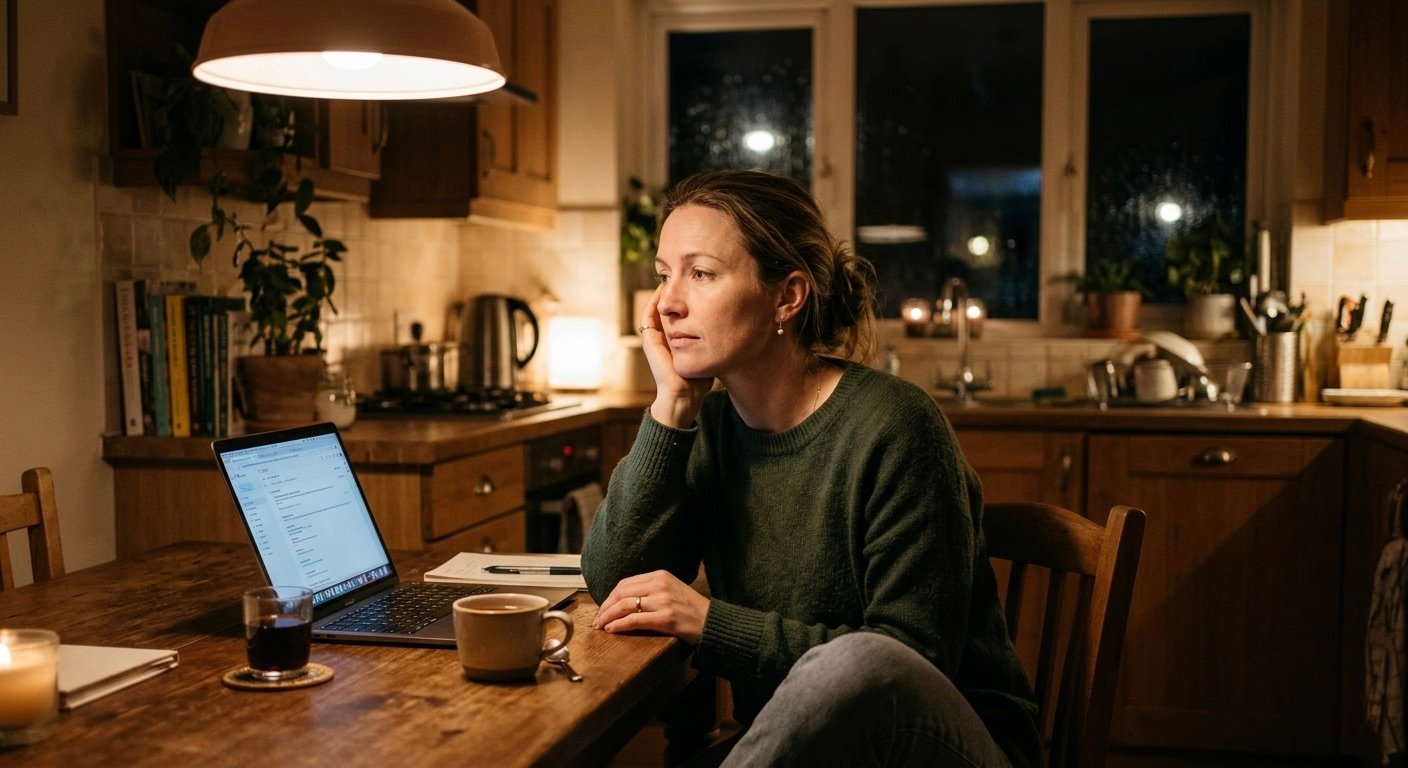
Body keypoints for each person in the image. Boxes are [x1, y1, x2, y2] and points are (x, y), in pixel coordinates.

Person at [581, 169, 1040, 767]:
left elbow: (903, 667)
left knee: (861, 661)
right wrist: (671, 410)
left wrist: (712, 623)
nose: (666, 303)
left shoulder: (896, 426)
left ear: (787, 296)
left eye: (701, 273)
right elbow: (615, 582)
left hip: (942, 748)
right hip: (804, 754)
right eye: (664, 274)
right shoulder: (713, 428)